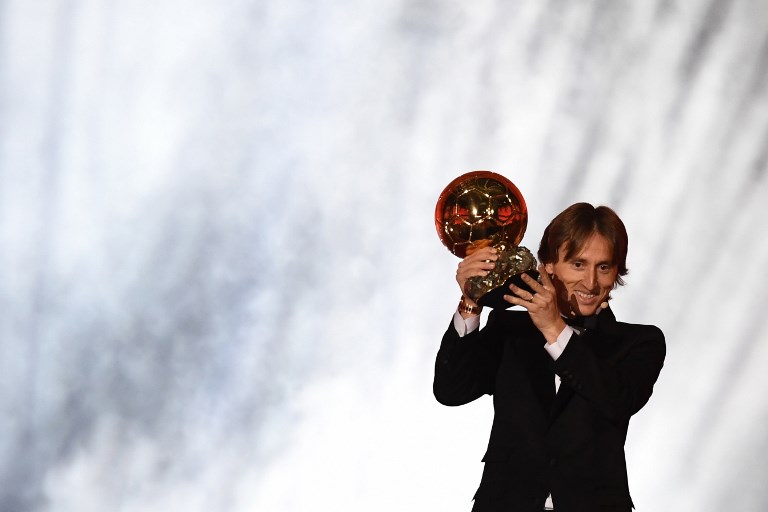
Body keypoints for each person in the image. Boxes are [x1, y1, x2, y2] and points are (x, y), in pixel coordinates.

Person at [434, 202, 665, 512]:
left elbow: (617, 400)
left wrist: (554, 327)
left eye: (604, 267)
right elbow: (451, 391)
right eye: (578, 264)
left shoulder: (640, 342)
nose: (591, 283)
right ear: (548, 265)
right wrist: (471, 301)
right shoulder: (509, 330)